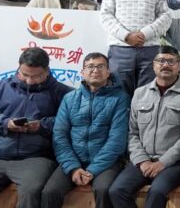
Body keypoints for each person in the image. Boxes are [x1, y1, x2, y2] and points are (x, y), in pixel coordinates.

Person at [108, 47, 180, 208]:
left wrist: (162, 163)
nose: (166, 65)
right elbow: (132, 133)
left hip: (175, 163)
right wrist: (142, 161)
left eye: (171, 61)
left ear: (179, 65)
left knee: (156, 192)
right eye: (161, 61)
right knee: (117, 190)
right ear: (153, 65)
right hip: (143, 160)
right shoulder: (139, 93)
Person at [42, 53, 129, 208]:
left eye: (100, 66)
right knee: (50, 192)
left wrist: (92, 170)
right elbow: (60, 136)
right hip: (74, 160)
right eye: (90, 66)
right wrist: (73, 168)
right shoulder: (69, 98)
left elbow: (117, 139)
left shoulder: (120, 98)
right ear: (82, 72)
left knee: (104, 190)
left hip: (107, 162)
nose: (95, 70)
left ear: (108, 72)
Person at [0, 48, 72, 208]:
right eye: (24, 75)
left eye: (36, 76)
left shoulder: (63, 93)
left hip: (37, 158)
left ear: (47, 71)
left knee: (31, 190)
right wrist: (6, 124)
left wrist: (41, 126)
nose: (29, 80)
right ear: (19, 67)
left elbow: (71, 123)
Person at [99, 0, 172, 95]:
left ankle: (143, 120)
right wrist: (127, 36)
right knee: (119, 93)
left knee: (147, 94)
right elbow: (105, 15)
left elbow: (166, 16)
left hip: (149, 49)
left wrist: (145, 34)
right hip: (120, 48)